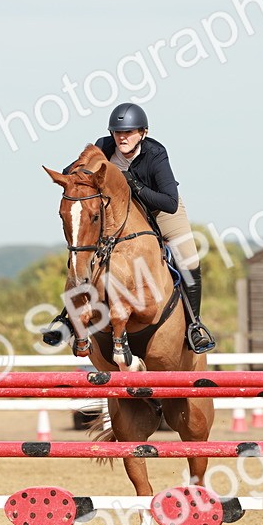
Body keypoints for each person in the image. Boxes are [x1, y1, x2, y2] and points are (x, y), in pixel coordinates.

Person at [43, 102, 215, 353]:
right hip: (121, 215)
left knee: (188, 257)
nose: (122, 137)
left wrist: (136, 186)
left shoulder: (155, 154)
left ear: (143, 133)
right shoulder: (103, 147)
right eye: (118, 132)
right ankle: (68, 318)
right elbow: (72, 172)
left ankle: (194, 325)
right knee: (84, 253)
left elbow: (168, 201)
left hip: (161, 210)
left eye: (129, 132)